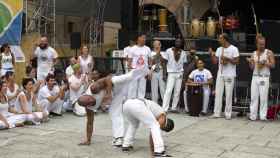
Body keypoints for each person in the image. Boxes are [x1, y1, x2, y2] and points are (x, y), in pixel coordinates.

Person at [78, 68, 150, 146]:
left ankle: (145, 70)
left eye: (89, 97)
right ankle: (118, 138)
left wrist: (108, 94)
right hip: (116, 95)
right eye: (89, 101)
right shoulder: (89, 109)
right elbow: (90, 123)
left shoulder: (93, 89)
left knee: (127, 77)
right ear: (87, 105)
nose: (90, 99)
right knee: (114, 113)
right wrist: (88, 140)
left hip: (114, 84)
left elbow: (108, 79)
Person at [209, 33, 240, 119]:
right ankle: (217, 113)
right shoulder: (219, 49)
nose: (219, 40)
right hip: (220, 73)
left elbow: (237, 61)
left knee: (229, 94)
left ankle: (228, 113)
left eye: (220, 38)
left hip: (230, 74)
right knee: (218, 93)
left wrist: (228, 59)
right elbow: (215, 62)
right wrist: (212, 55)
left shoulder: (234, 49)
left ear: (225, 39)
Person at [247, 36, 275, 121]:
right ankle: (253, 115)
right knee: (253, 97)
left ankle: (263, 116)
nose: (262, 46)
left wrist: (266, 63)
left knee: (263, 97)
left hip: (264, 77)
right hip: (255, 76)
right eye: (260, 44)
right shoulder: (253, 53)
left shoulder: (269, 52)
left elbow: (273, 65)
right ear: (257, 44)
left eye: (263, 44)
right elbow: (251, 68)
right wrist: (251, 62)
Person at [162, 38, 188, 112]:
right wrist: (164, 74)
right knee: (169, 90)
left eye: (180, 42)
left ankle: (174, 107)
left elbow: (185, 65)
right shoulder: (169, 50)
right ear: (174, 42)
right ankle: (164, 108)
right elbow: (164, 62)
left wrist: (184, 77)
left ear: (181, 44)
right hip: (171, 73)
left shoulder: (183, 53)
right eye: (177, 42)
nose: (178, 43)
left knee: (177, 91)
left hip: (180, 73)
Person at [127, 33, 152, 99]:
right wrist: (129, 71)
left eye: (145, 38)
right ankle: (131, 102)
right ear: (139, 38)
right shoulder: (132, 49)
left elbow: (150, 61)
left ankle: (140, 102)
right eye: (143, 38)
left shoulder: (147, 49)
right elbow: (129, 61)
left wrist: (149, 71)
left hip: (143, 71)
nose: (144, 39)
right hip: (134, 71)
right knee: (133, 87)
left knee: (142, 88)